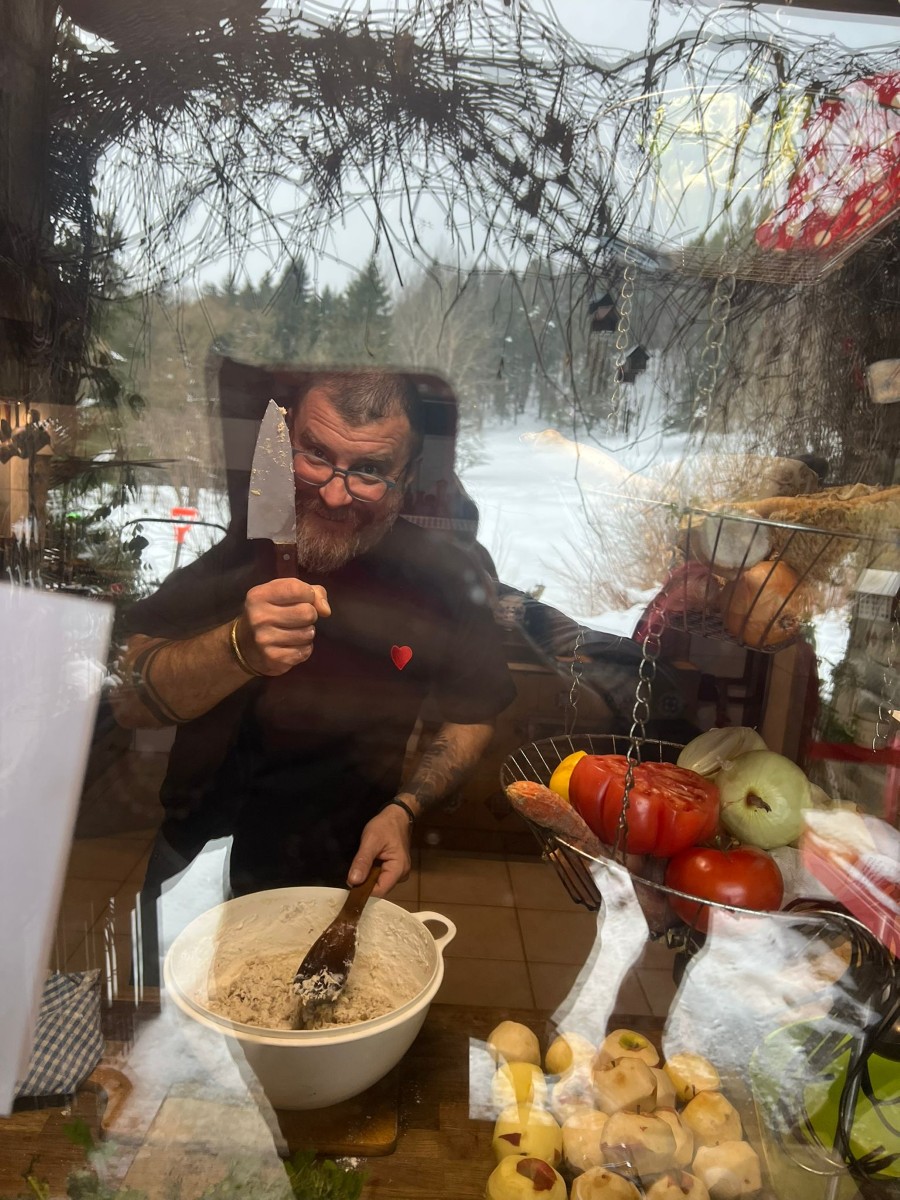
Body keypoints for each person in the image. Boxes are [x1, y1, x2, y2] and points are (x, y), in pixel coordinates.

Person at [112, 369, 515, 953]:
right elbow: (130, 698)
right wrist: (236, 649)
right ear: (287, 446)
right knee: (168, 1006)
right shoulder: (245, 550)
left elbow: (473, 714)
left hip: (342, 866)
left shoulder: (445, 578)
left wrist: (404, 810)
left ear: (405, 478)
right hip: (196, 855)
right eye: (316, 456)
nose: (333, 493)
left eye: (369, 470)